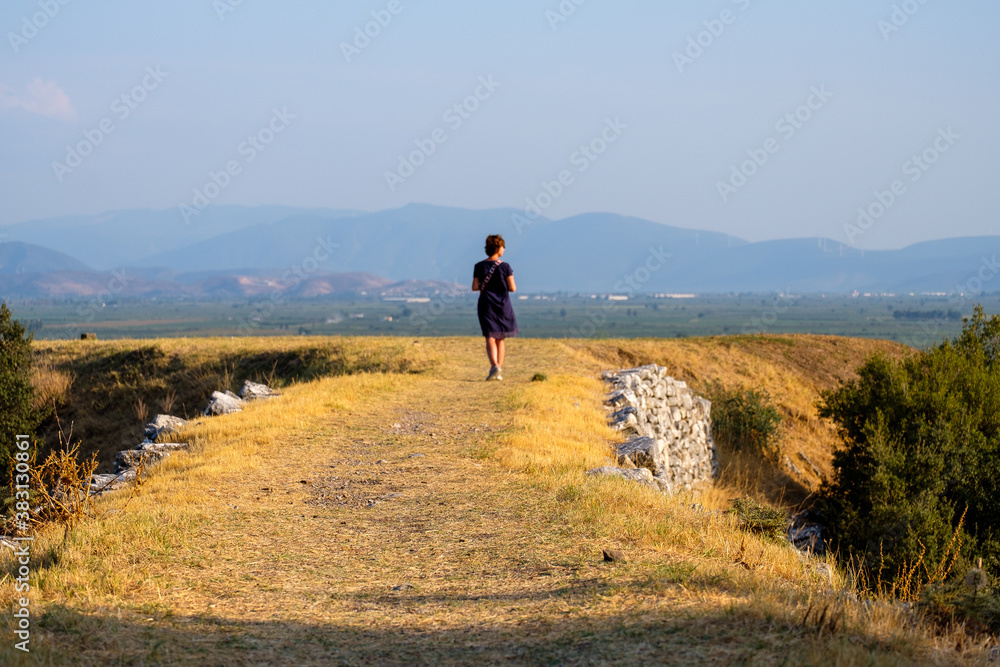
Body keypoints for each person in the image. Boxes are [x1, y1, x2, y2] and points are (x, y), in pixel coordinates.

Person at [472, 234, 518, 381]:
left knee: (490, 336)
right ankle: (499, 369)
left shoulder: (479, 266)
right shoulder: (505, 266)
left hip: (486, 304)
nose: (504, 250)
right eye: (503, 247)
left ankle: (494, 366)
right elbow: (512, 288)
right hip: (503, 304)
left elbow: (474, 287)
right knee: (500, 338)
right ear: (498, 248)